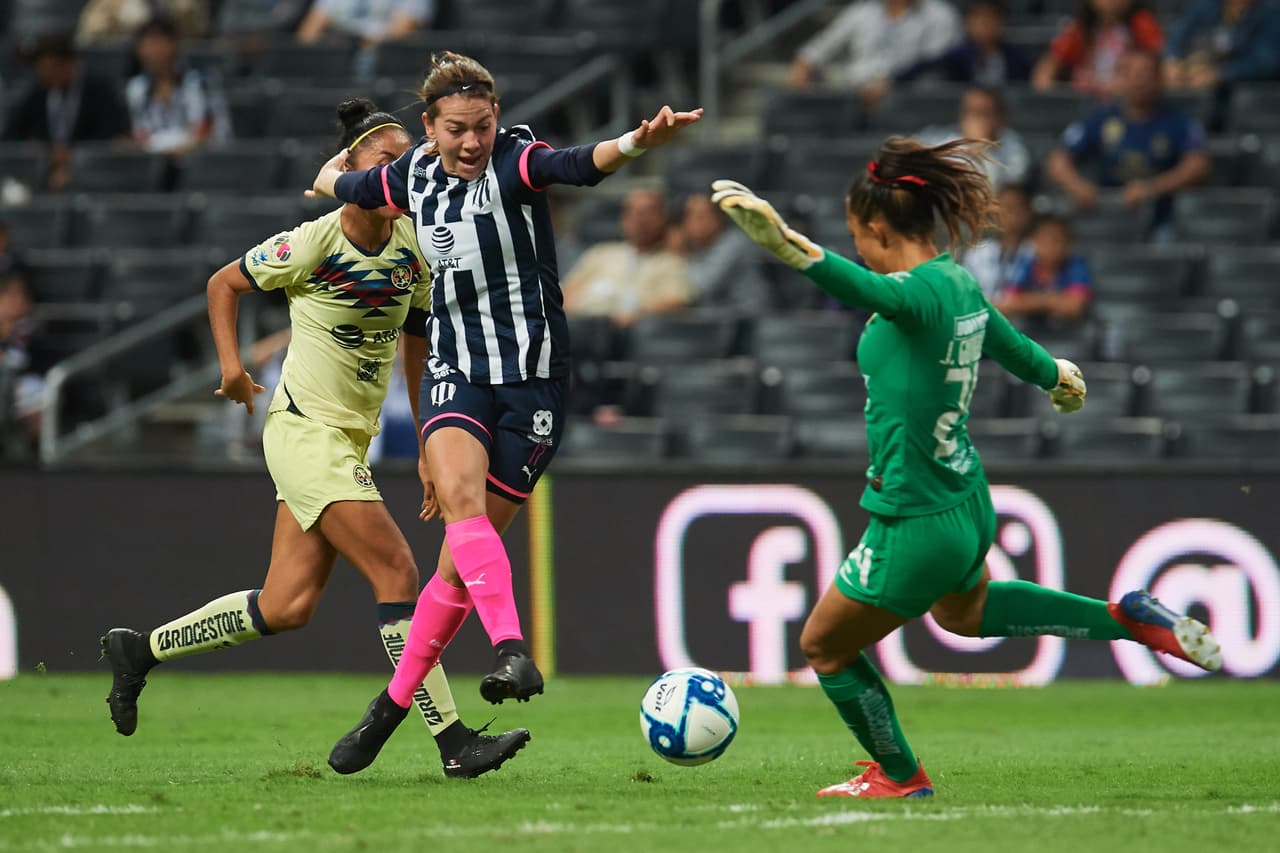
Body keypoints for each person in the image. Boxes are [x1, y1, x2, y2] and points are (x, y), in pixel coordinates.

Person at [711, 135, 1221, 798]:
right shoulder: (957, 281)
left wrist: (789, 245)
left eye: (854, 233)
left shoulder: (913, 292)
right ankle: (1128, 617)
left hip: (914, 516)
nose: (857, 245)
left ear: (875, 227)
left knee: (824, 645)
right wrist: (1054, 374)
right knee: (963, 612)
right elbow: (1003, 338)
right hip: (966, 499)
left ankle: (900, 775)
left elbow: (857, 282)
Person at [100, 98, 530, 780]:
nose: (400, 174)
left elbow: (416, 344)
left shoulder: (412, 250)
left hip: (346, 442)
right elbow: (224, 283)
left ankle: (139, 650)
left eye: (405, 162)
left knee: (286, 604)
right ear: (351, 169)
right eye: (385, 161)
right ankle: (453, 742)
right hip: (304, 433)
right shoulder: (315, 242)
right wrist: (233, 367)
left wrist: (427, 442)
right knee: (398, 572)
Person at [305, 51, 701, 774]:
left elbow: (581, 163)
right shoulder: (411, 175)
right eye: (456, 129)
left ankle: (386, 711)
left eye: (480, 126)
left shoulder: (516, 160)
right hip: (460, 373)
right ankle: (513, 651)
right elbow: (351, 183)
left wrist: (640, 141)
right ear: (430, 127)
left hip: (533, 383)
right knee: (461, 505)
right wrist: (332, 179)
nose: (470, 142)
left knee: (457, 569)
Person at [1047, 49, 1211, 240]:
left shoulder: (1178, 122)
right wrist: (1077, 185)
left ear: (1159, 80)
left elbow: (1198, 166)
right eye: (1130, 74)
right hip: (1104, 214)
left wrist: (1151, 188)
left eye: (1145, 74)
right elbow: (1058, 161)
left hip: (1160, 219)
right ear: (1119, 78)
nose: (1138, 81)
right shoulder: (1100, 118)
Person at [1, 32, 131, 191]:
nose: (44, 73)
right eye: (40, 67)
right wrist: (37, 151)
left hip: (90, 175)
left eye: (50, 66)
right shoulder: (38, 94)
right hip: (43, 176)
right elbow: (11, 135)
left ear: (69, 64)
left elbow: (111, 136)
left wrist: (71, 156)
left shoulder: (99, 93)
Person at [787, 0, 961, 107]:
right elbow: (820, 47)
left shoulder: (940, 14)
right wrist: (805, 63)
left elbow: (937, 64)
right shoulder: (863, 12)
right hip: (856, 99)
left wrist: (891, 83)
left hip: (912, 102)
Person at [562, 188, 694, 326]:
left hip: (628, 336)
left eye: (648, 213)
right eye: (633, 212)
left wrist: (634, 316)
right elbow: (566, 293)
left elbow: (676, 303)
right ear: (623, 219)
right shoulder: (600, 253)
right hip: (580, 329)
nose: (640, 219)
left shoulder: (672, 263)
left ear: (662, 219)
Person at [125, 17, 230, 156]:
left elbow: (204, 134)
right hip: (156, 165)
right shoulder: (136, 88)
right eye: (148, 44)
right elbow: (141, 137)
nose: (154, 51)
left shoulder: (200, 81)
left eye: (159, 43)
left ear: (174, 44)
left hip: (204, 162)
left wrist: (176, 149)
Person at [1033, 0, 1164, 95]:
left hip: (1128, 103)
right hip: (1087, 103)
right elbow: (1047, 69)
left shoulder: (1142, 24)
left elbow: (1159, 66)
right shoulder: (1080, 29)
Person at [669, 193, 770, 315]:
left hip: (746, 320)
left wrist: (680, 255)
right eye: (690, 215)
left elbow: (701, 288)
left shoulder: (735, 243)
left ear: (719, 217)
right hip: (712, 318)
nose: (696, 222)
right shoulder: (694, 245)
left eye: (702, 215)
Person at [917, 85, 1031, 192]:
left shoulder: (1012, 144)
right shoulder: (937, 138)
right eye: (970, 111)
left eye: (983, 113)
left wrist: (980, 148)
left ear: (1000, 118)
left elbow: (1002, 188)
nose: (975, 119)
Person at [894, 0, 1033, 85]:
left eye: (992, 18)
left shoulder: (1017, 58)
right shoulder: (954, 57)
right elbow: (921, 69)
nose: (985, 24)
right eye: (979, 18)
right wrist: (892, 81)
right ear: (967, 23)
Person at [997, 214, 1093, 327]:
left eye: (1056, 240)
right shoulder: (1026, 265)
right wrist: (1051, 301)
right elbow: (1007, 304)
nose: (1050, 246)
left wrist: (1030, 302)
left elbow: (1075, 306)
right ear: (1033, 241)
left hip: (1070, 334)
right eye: (1043, 239)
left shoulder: (1076, 266)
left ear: (1068, 244)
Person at [957, 183, 1034, 298]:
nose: (1012, 215)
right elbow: (965, 293)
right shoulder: (978, 253)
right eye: (1007, 208)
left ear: (1029, 211)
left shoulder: (1037, 251)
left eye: (1018, 208)